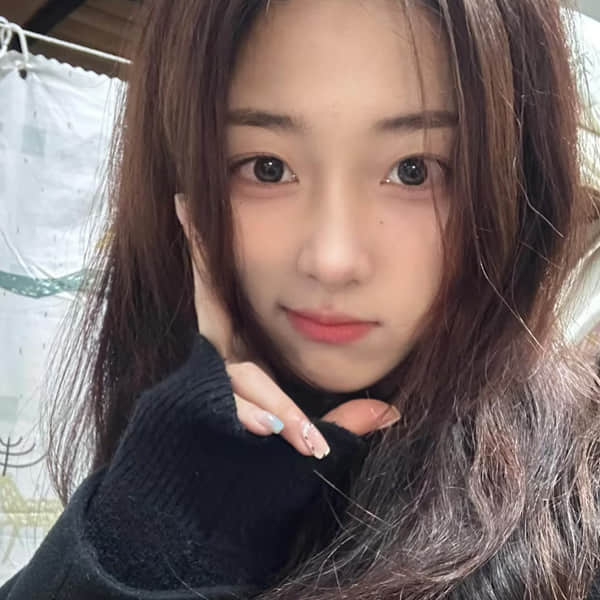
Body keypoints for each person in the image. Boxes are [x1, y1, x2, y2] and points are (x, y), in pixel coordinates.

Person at [2, 0, 600, 598]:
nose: (332, 261)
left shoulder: (576, 509)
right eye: (267, 168)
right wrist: (154, 524)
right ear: (179, 192)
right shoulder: (170, 431)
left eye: (415, 170)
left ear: (518, 188)